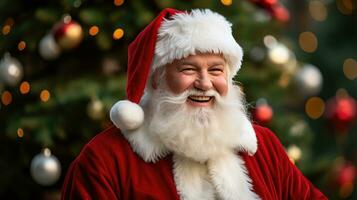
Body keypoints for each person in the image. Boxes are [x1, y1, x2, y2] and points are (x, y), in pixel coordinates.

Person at [61, 8, 327, 200]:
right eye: (188, 69)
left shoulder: (263, 147)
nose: (204, 83)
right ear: (158, 79)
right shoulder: (104, 160)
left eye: (215, 70)